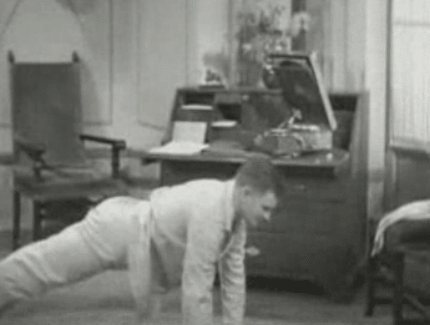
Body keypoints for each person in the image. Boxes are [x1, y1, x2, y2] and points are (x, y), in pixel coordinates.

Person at [0, 154, 281, 325]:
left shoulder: (236, 216)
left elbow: (234, 280)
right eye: (265, 208)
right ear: (245, 192)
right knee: (43, 267)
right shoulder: (211, 212)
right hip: (119, 230)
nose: (268, 216)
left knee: (43, 266)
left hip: (141, 243)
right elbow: (197, 292)